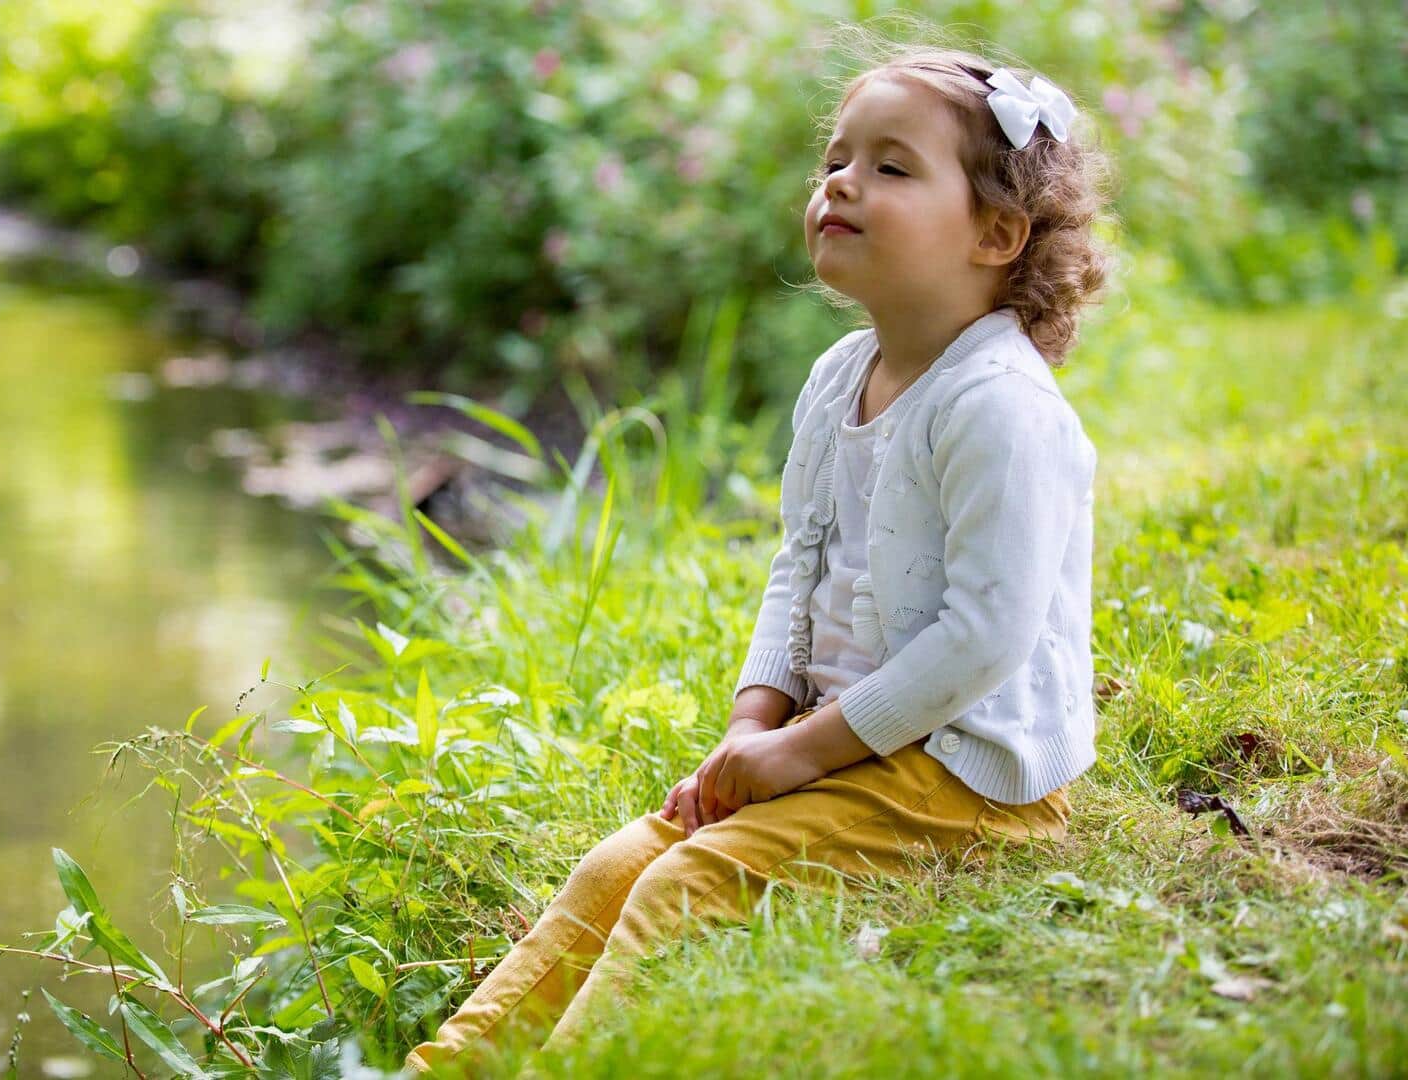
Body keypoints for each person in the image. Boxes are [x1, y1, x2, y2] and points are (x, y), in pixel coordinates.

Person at [403, 31, 1116, 1076]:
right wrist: (756, 721)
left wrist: (799, 755)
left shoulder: (999, 407)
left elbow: (983, 639)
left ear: (996, 233)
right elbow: (800, 561)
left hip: (966, 777)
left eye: (891, 167)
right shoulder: (839, 378)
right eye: (837, 159)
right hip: (844, 741)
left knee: (687, 884)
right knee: (617, 866)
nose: (841, 183)